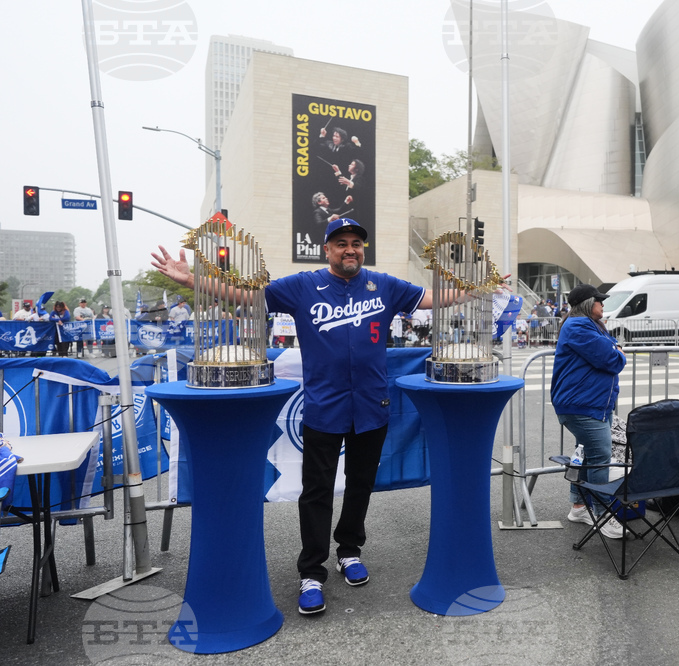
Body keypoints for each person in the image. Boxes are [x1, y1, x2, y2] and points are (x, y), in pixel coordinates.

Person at [151, 217, 479, 617]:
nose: (350, 249)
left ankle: (350, 550)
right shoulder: (302, 285)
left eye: (356, 243)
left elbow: (431, 297)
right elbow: (245, 296)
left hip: (373, 406)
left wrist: (472, 291)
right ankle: (311, 572)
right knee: (317, 490)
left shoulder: (383, 285)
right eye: (341, 243)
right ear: (327, 250)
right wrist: (191, 282)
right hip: (324, 406)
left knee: (361, 484)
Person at [550, 283, 627, 540]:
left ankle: (580, 507)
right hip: (581, 404)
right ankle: (603, 514)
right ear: (587, 304)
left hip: (590, 403)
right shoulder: (578, 326)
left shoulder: (586, 325)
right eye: (599, 301)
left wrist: (613, 349)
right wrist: (617, 352)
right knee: (600, 456)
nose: (603, 305)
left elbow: (610, 351)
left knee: (588, 453)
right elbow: (612, 359)